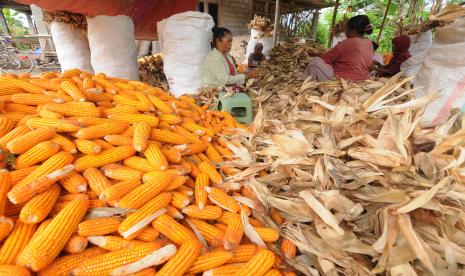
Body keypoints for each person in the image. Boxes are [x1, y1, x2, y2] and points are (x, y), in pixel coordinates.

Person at [302, 15, 374, 82]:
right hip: (363, 79)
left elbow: (325, 58)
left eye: (346, 29)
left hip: (345, 81)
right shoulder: (369, 43)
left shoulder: (347, 43)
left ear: (352, 30)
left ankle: (303, 83)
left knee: (315, 62)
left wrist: (313, 54)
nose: (345, 31)